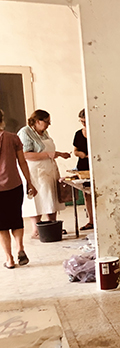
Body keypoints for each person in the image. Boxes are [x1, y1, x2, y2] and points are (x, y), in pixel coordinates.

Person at [18, 110, 71, 238]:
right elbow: (25, 154)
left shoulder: (44, 132)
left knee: (51, 196)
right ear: (37, 121)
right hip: (35, 171)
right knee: (37, 199)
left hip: (49, 169)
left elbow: (49, 151)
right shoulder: (26, 132)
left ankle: (52, 224)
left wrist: (59, 154)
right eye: (46, 122)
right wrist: (48, 154)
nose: (48, 124)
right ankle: (36, 229)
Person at [0, 109, 37, 268]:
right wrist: (29, 182)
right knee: (16, 218)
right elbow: (22, 162)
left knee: (2, 225)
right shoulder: (13, 138)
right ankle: (20, 248)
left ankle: (9, 260)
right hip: (14, 185)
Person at [72, 109, 94, 231]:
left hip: (95, 164)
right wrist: (79, 153)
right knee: (86, 193)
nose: (84, 124)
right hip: (83, 166)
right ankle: (91, 220)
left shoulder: (96, 132)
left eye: (85, 121)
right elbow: (75, 150)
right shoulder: (78, 134)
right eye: (81, 121)